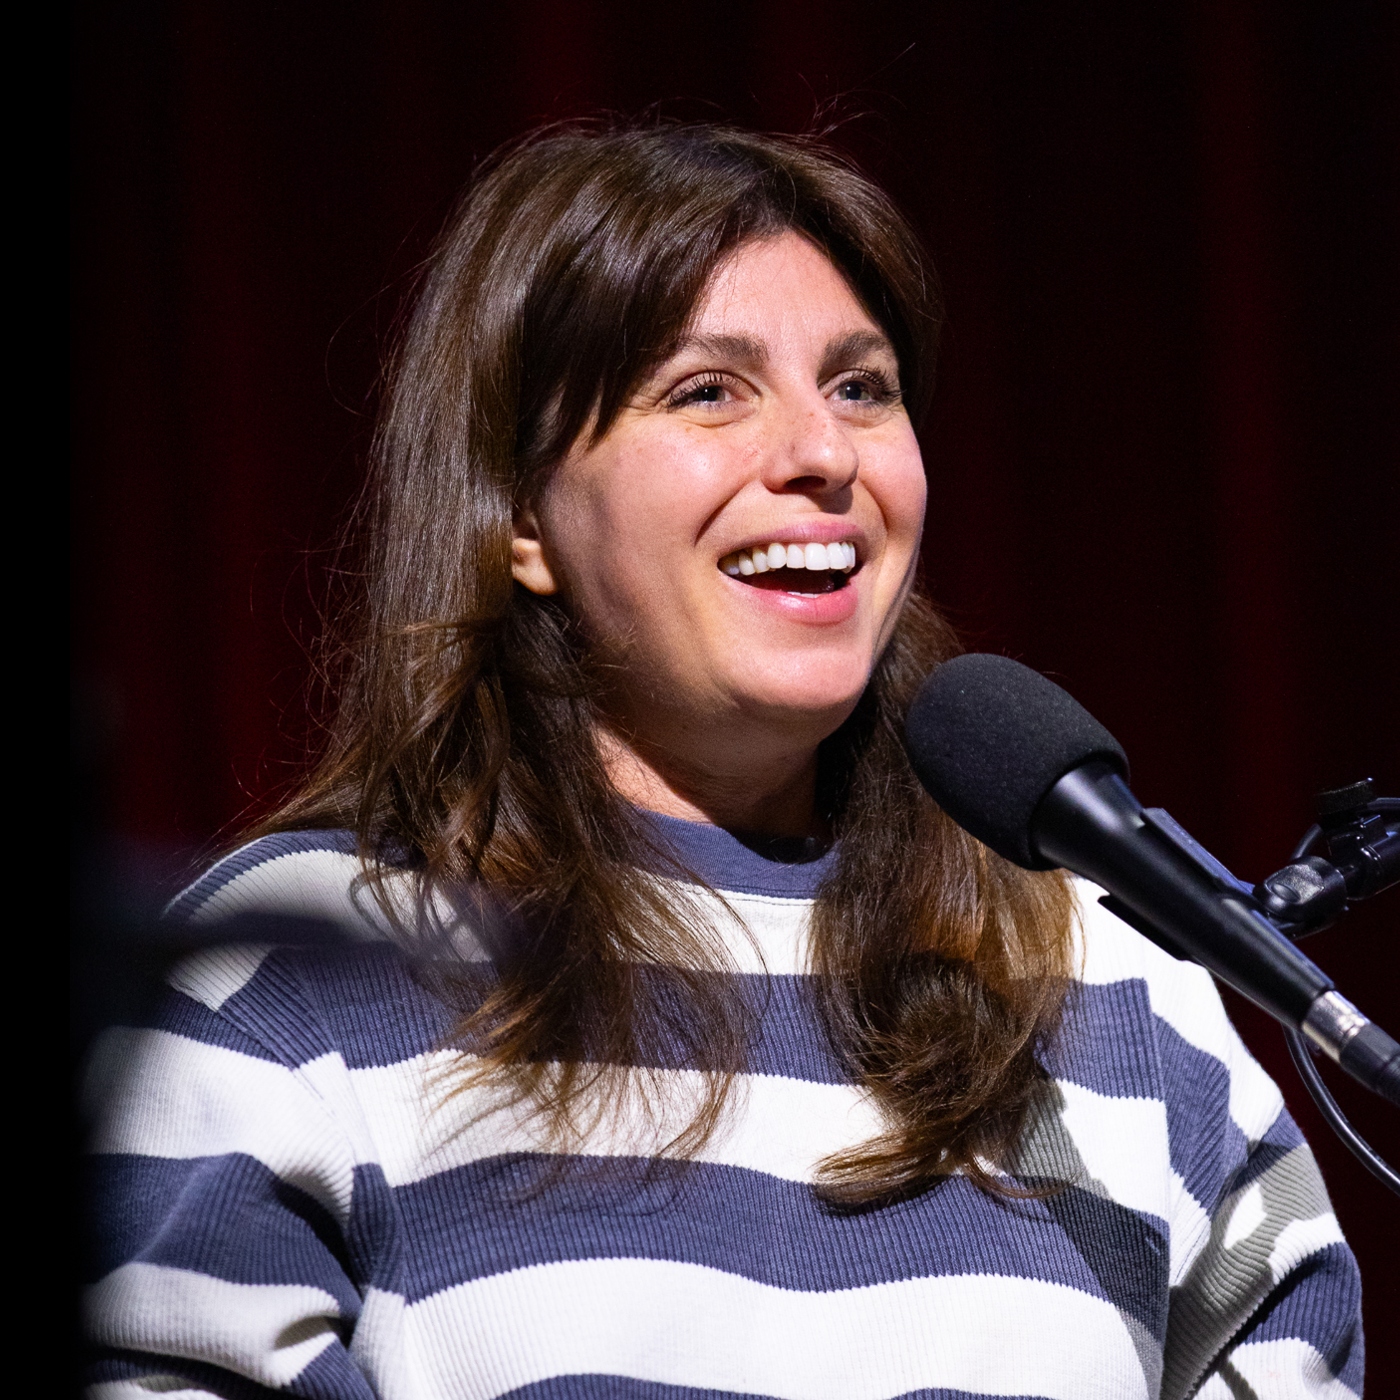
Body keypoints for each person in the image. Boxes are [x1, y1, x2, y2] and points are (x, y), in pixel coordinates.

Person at [84, 123, 1363, 1399]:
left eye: (861, 386)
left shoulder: (1116, 990)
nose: (821, 454)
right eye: (708, 389)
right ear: (522, 515)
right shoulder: (293, 971)